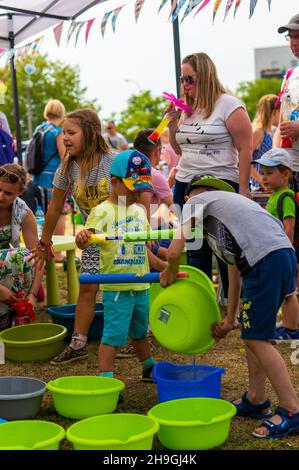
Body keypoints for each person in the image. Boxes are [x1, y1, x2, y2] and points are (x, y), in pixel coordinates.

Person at [160, 174, 299, 439]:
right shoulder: (231, 214)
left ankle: (292, 410)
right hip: (280, 256)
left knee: (258, 339)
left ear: (188, 197)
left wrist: (169, 272)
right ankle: (256, 399)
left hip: (266, 261)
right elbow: (234, 272)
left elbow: (174, 253)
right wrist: (230, 318)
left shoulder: (195, 202)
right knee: (253, 333)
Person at [33, 109, 116, 365]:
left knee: (124, 288)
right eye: (63, 133)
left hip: (118, 238)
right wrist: (43, 244)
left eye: (71, 133)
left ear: (90, 134)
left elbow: (126, 202)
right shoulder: (68, 166)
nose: (65, 138)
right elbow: (55, 208)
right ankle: (78, 343)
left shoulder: (112, 162)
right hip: (90, 238)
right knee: (88, 288)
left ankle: (137, 336)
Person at [166, 52, 252, 297]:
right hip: (185, 183)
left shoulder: (229, 105)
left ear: (205, 76)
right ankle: (199, 297)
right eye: (182, 79)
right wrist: (173, 122)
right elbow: (179, 149)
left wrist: (243, 188)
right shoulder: (186, 109)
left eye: (189, 79)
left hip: (219, 183)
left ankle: (230, 300)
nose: (185, 85)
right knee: (194, 245)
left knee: (225, 246)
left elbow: (246, 148)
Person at [75, 150, 160, 381]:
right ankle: (106, 378)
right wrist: (82, 238)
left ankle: (148, 367)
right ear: (114, 182)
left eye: (141, 188)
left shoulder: (140, 212)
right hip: (117, 287)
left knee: (140, 332)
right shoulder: (101, 211)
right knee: (113, 335)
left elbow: (144, 248)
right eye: (133, 187)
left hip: (141, 285)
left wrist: (162, 263)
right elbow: (85, 242)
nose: (137, 193)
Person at [252, 148, 299, 340]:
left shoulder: (286, 197)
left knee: (289, 293)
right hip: (276, 252)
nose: (263, 177)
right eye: (263, 172)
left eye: (269, 173)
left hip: (283, 253)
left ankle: (291, 329)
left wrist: (285, 251)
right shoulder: (275, 196)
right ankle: (288, 324)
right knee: (286, 292)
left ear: (286, 174)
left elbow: (289, 226)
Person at [0, 164, 44, 329]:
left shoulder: (23, 212)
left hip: (3, 269)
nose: (1, 196)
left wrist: (32, 294)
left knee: (24, 256)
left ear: (20, 193)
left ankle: (13, 310)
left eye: (8, 193)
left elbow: (37, 257)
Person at [32, 100, 66, 261]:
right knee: (59, 212)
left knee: (42, 215)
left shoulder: (39, 128)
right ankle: (57, 253)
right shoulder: (58, 131)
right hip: (53, 177)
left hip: (37, 177)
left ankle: (40, 249)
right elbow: (64, 156)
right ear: (61, 112)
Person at [133, 129, 174, 228]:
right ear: (157, 151)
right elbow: (173, 207)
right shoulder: (154, 174)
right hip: (146, 231)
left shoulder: (127, 170)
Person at [250, 94, 280, 191]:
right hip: (258, 188)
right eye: (280, 111)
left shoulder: (274, 131)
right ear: (275, 111)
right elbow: (244, 161)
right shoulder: (258, 132)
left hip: (272, 186)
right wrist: (261, 180)